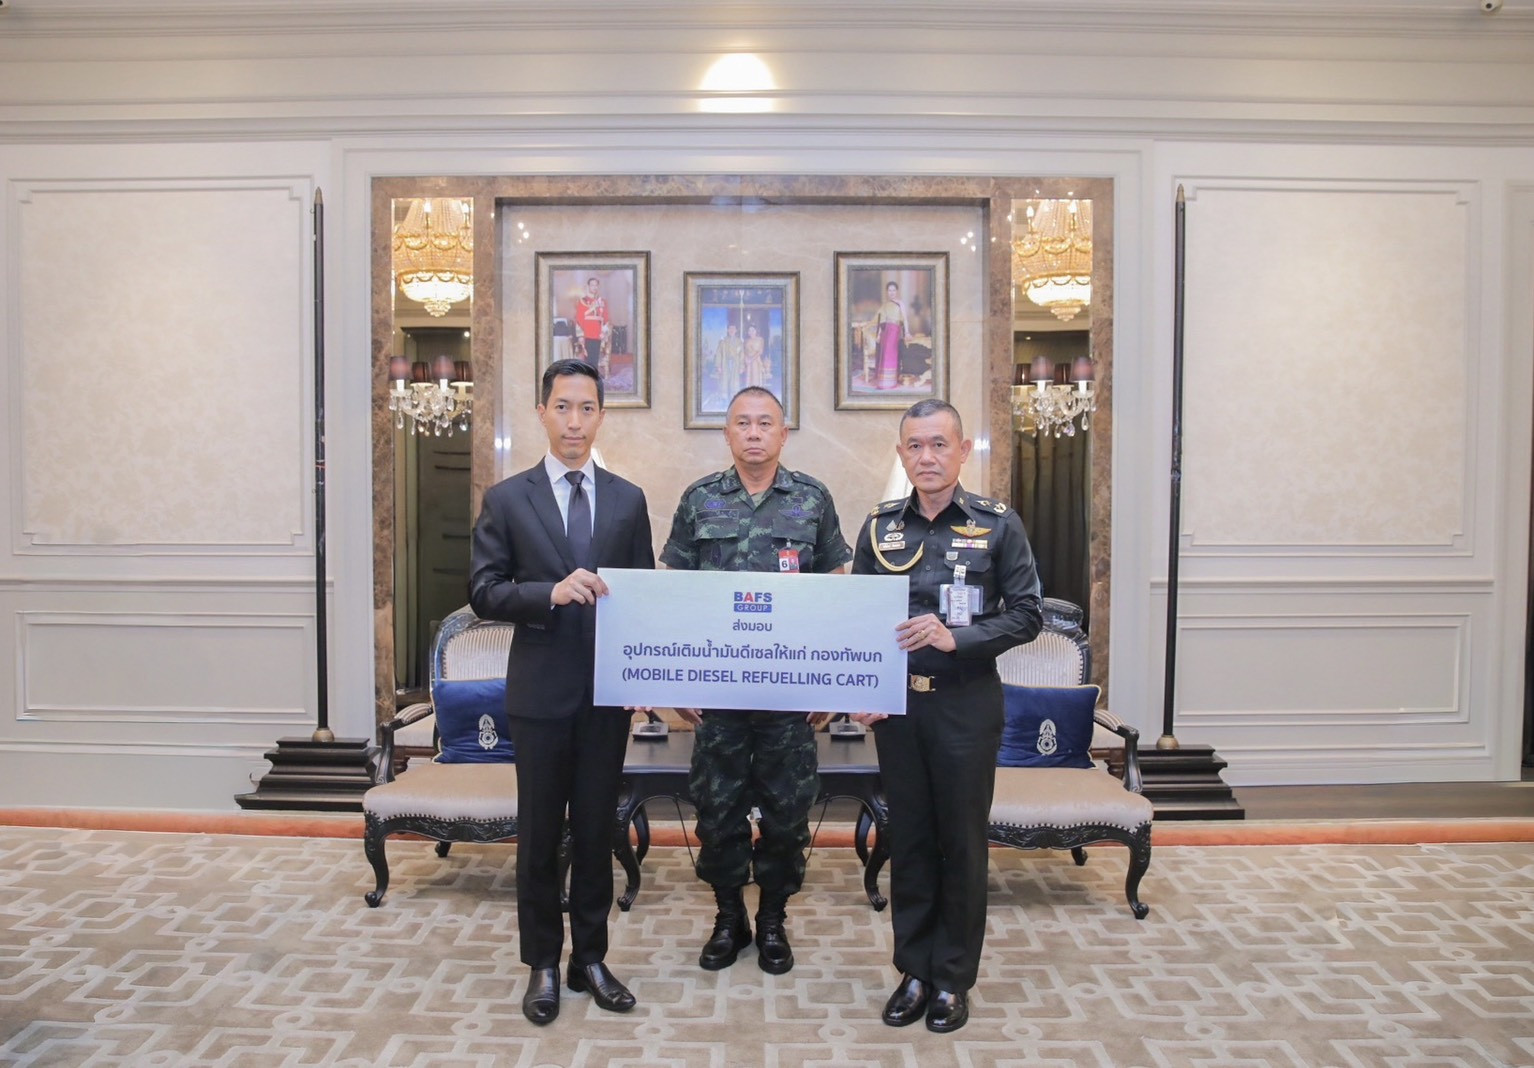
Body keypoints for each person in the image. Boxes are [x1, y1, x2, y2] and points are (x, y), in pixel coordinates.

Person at [468, 358, 654, 1026]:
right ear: (542, 412)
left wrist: (643, 677)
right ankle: (543, 963)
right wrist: (548, 592)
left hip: (607, 699)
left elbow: (641, 599)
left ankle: (591, 959)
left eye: (587, 408)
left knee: (598, 832)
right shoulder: (507, 499)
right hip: (540, 697)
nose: (575, 421)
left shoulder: (629, 499)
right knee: (541, 837)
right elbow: (483, 591)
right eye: (563, 407)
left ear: (601, 416)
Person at [850, 398, 1042, 1034]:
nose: (926, 457)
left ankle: (952, 978)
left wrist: (958, 637)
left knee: (959, 843)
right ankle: (913, 969)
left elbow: (1028, 614)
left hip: (965, 706)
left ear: (962, 451)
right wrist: (861, 686)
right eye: (915, 446)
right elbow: (858, 617)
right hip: (898, 708)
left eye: (939, 444)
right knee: (908, 840)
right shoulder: (879, 528)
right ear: (900, 454)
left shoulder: (998, 525)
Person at [660, 386, 852, 976]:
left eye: (765, 423)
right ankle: (728, 918)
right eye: (742, 423)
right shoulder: (699, 499)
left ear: (782, 433)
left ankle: (771, 919)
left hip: (789, 696)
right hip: (717, 695)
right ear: (727, 434)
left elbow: (836, 594)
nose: (753, 432)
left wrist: (830, 683)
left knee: (787, 814)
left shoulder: (813, 499)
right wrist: (679, 679)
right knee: (717, 813)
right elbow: (673, 594)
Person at [873, 281, 909, 389]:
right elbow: (881, 322)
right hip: (885, 332)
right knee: (884, 355)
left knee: (891, 354)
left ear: (897, 291)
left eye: (893, 290)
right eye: (889, 290)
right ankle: (883, 382)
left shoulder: (900, 303)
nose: (892, 292)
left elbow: (905, 319)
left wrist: (907, 332)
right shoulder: (885, 305)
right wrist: (879, 335)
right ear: (887, 292)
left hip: (894, 331)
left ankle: (891, 381)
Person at [573, 276, 610, 367]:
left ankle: (594, 372)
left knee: (595, 357)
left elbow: (605, 318)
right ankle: (589, 373)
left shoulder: (602, 301)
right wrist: (580, 335)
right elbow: (579, 318)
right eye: (592, 285)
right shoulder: (583, 301)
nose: (594, 287)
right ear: (588, 286)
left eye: (596, 285)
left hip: (598, 333)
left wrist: (604, 332)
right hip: (587, 333)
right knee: (588, 358)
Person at [712, 321, 744, 399]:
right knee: (724, 379)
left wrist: (741, 366)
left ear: (736, 330)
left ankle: (734, 396)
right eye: (730, 329)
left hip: (735, 363)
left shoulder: (739, 342)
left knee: (735, 380)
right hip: (725, 363)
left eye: (733, 329)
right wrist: (718, 366)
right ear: (727, 330)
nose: (732, 330)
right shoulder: (723, 341)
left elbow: (742, 355)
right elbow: (719, 353)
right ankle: (724, 397)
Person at [742, 322, 769, 389]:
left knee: (755, 377)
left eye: (753, 330)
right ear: (748, 332)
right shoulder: (746, 341)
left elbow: (760, 351)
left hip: (756, 360)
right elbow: (744, 351)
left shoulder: (760, 339)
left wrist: (751, 359)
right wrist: (746, 359)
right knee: (748, 378)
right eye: (749, 330)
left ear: (756, 331)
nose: (751, 332)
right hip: (748, 362)